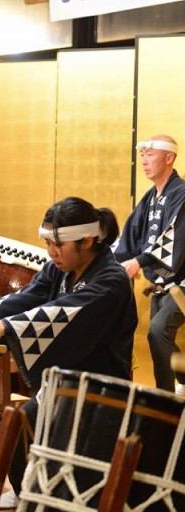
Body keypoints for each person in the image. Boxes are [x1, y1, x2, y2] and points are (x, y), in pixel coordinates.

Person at [0, 197, 137, 509]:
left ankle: (38, 493)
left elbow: (60, 313)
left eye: (60, 244)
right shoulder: (60, 269)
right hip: (63, 383)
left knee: (41, 449)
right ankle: (29, 491)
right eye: (48, 243)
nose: (52, 252)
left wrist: (2, 329)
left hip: (100, 392)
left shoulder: (111, 279)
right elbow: (26, 298)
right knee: (16, 434)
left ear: (88, 240)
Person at [114, 135, 185, 394]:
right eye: (142, 155)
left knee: (157, 332)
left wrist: (139, 261)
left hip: (182, 283)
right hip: (163, 283)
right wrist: (110, 265)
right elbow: (130, 236)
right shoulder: (150, 198)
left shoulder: (182, 194)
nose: (144, 161)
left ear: (169, 158)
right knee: (159, 338)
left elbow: (174, 237)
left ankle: (164, 399)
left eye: (150, 155)